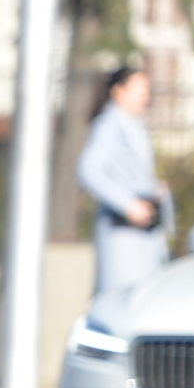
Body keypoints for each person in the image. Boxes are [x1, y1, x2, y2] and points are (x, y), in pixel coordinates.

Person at [76, 66, 172, 302]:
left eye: (147, 91)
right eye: (139, 90)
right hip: (123, 231)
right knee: (122, 302)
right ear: (118, 92)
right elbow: (88, 170)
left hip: (141, 232)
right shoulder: (109, 125)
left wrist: (154, 190)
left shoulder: (131, 125)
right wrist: (128, 204)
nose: (145, 97)